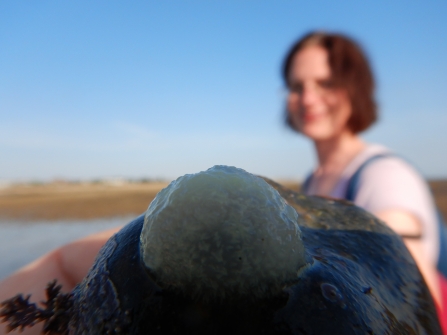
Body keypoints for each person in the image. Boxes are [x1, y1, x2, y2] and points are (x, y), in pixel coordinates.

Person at [282, 31, 443, 311]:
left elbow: (416, 305)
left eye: (326, 83)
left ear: (355, 88)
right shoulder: (312, 180)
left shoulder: (384, 177)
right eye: (297, 86)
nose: (308, 99)